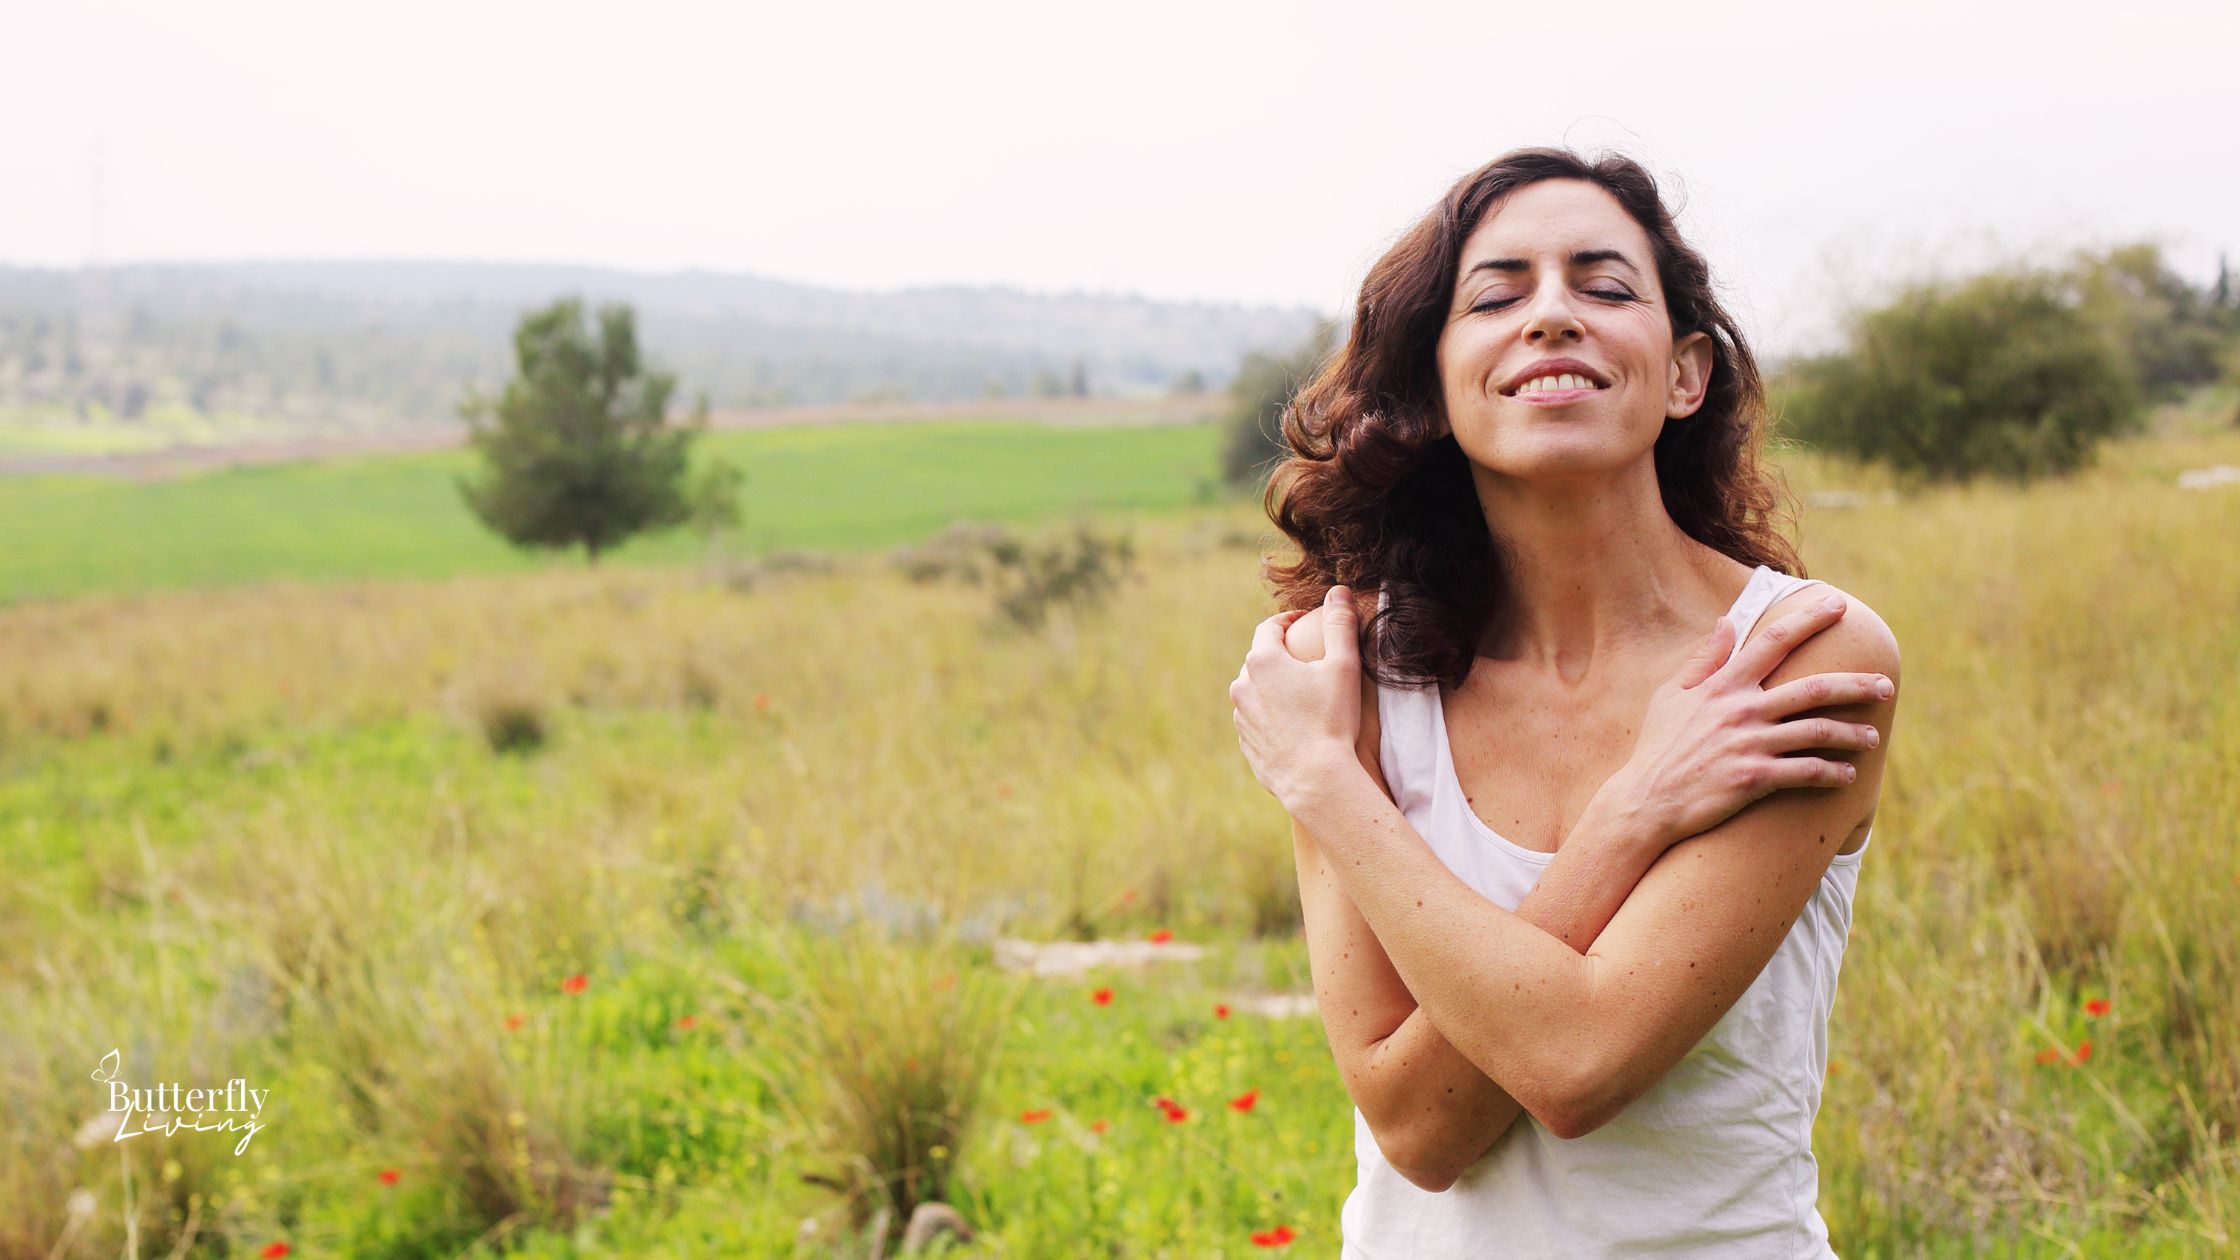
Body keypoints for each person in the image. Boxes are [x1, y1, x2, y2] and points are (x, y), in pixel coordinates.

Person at [1226, 147, 1901, 1258]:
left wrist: (1322, 783)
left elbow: (1574, 1066)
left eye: (1603, 286)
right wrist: (1637, 808)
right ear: (1435, 387)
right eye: (1495, 295)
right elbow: (1414, 1129)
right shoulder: (1338, 674)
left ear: (1684, 374)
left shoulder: (1793, 654)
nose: (1549, 318)